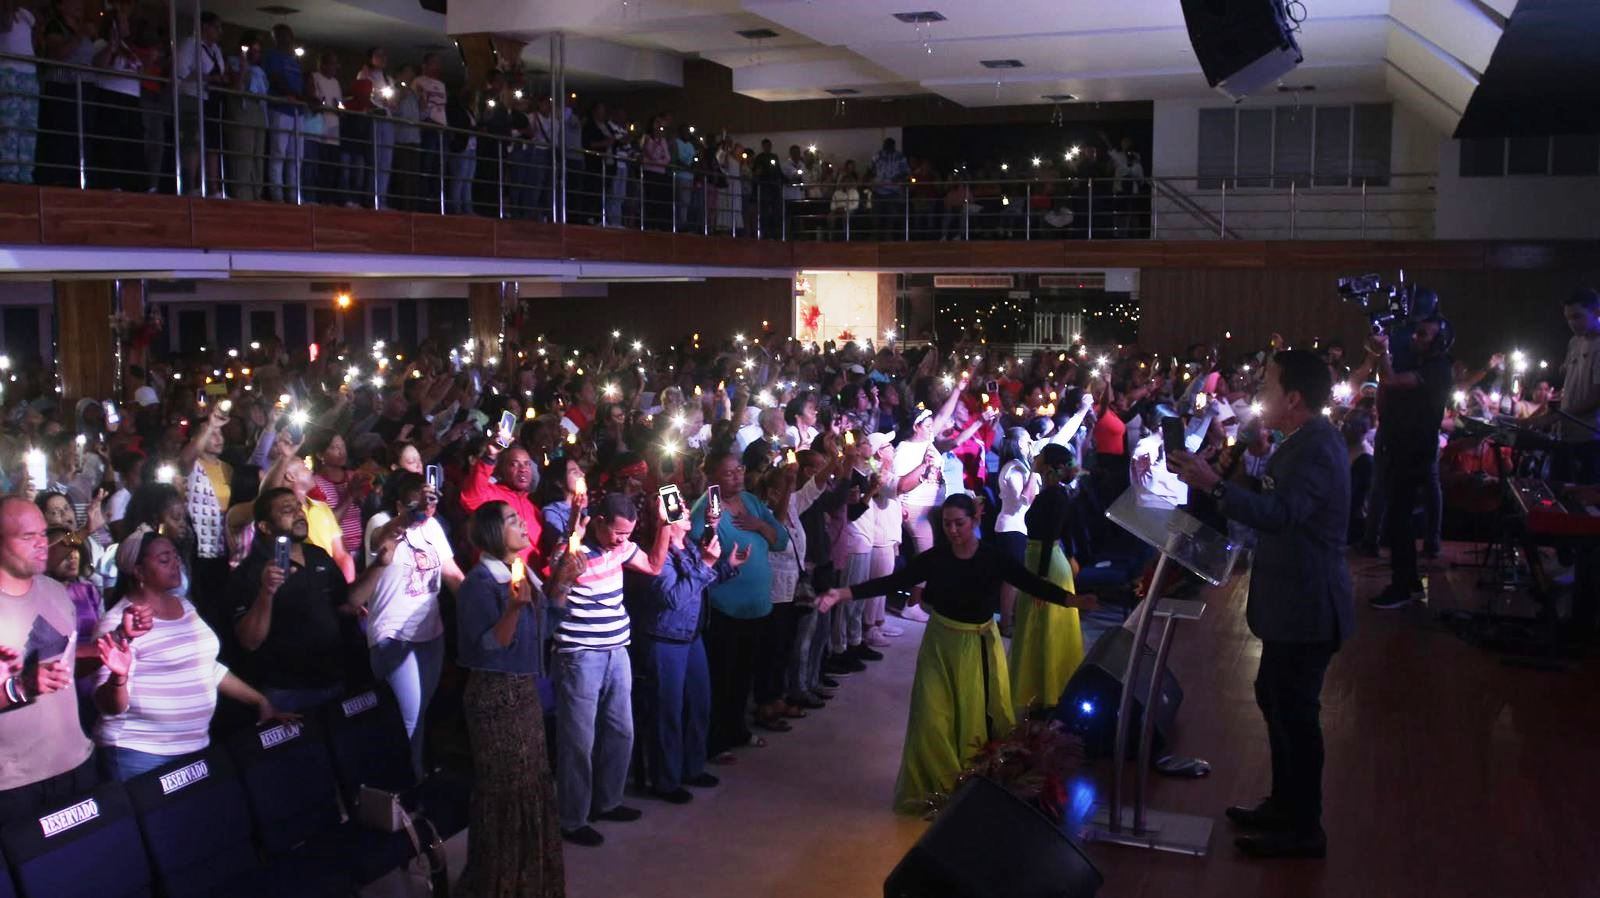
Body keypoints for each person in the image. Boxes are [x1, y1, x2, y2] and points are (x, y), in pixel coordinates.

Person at [1168, 348, 1353, 859]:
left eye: (1267, 385)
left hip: (1309, 604)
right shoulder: (1302, 440)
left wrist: (1217, 486)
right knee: (1276, 698)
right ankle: (1285, 806)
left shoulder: (1316, 445)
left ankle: (1303, 827)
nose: (1258, 393)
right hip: (1292, 603)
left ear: (1293, 398)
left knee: (1295, 711)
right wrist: (1219, 476)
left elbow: (1284, 513)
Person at [815, 494, 1095, 813]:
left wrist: (1073, 601)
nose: (953, 530)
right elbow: (895, 581)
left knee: (978, 716)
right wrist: (842, 593)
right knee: (931, 716)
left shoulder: (993, 557)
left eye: (959, 523)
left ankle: (972, 784)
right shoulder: (936, 558)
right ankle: (934, 787)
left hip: (979, 647)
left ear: (974, 521)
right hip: (940, 643)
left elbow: (1030, 583)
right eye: (947, 524)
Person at [93, 528, 292, 781]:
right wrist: (118, 678)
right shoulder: (116, 624)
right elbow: (108, 706)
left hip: (194, 746)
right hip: (140, 752)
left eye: (175, 557)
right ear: (138, 571)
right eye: (164, 560)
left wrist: (260, 701)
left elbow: (206, 667)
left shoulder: (184, 606)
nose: (175, 564)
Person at [0, 497, 147, 826]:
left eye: (43, 534)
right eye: (27, 537)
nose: (42, 544)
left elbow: (62, 665)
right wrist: (18, 687)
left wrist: (117, 641)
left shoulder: (54, 591)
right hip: (13, 784)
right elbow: (27, 683)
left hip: (76, 763)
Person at [455, 500, 574, 898]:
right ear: (492, 533)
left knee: (532, 786)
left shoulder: (522, 576)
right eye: (511, 520)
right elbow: (487, 650)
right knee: (506, 793)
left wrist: (561, 586)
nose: (523, 523)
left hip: (523, 692)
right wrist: (511, 610)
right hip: (494, 697)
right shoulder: (479, 584)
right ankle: (499, 884)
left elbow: (544, 630)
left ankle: (531, 880)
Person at [553, 492, 669, 847]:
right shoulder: (570, 551)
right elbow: (553, 596)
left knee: (622, 730)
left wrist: (664, 524)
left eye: (629, 534)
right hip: (579, 654)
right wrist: (566, 563)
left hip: (617, 648)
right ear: (599, 521)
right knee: (578, 739)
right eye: (619, 533)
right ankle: (572, 818)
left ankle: (609, 800)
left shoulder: (621, 546)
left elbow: (653, 566)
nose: (624, 541)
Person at [350, 472, 465, 776]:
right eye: (417, 502)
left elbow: (452, 573)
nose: (426, 509)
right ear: (399, 503)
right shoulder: (381, 521)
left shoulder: (433, 526)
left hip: (431, 632)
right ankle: (408, 783)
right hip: (393, 633)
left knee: (421, 712)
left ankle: (415, 775)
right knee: (407, 717)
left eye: (428, 501)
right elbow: (380, 539)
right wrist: (409, 515)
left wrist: (482, 600)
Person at [631, 502, 741, 803]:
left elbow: (700, 583)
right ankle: (665, 780)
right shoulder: (659, 555)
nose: (686, 510)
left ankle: (691, 768)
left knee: (699, 704)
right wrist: (706, 565)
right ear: (664, 519)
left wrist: (725, 567)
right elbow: (673, 599)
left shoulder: (689, 546)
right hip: (665, 638)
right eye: (677, 508)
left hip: (690, 636)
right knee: (667, 711)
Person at [689, 448, 789, 763]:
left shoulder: (752, 502)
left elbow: (781, 539)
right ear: (714, 478)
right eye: (728, 472)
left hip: (757, 606)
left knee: (744, 674)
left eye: (740, 470)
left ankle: (738, 730)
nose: (737, 476)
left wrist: (759, 525)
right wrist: (711, 527)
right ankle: (716, 740)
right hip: (725, 608)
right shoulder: (707, 509)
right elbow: (697, 548)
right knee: (723, 677)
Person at [229, 487, 355, 713]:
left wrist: (381, 565)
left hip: (333, 678)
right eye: (288, 510)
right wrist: (266, 592)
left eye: (299, 507)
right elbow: (249, 641)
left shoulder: (317, 554)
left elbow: (346, 602)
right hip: (287, 691)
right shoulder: (250, 571)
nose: (299, 513)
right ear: (265, 527)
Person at [1360, 317, 1451, 609]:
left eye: (1423, 335)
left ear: (1438, 340)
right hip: (1402, 445)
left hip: (1414, 449)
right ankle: (1408, 581)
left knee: (1399, 516)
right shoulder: (1420, 363)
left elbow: (1389, 381)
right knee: (1398, 515)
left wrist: (1383, 351)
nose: (1415, 338)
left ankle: (1402, 585)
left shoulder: (1437, 368)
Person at [1006, 443, 1090, 719]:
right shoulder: (1054, 493)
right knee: (1042, 631)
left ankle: (1046, 694)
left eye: (1040, 455)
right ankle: (1042, 691)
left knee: (1042, 630)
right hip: (1047, 560)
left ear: (1049, 464)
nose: (1035, 457)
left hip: (1046, 565)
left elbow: (1048, 536)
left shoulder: (1053, 496)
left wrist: (1040, 581)